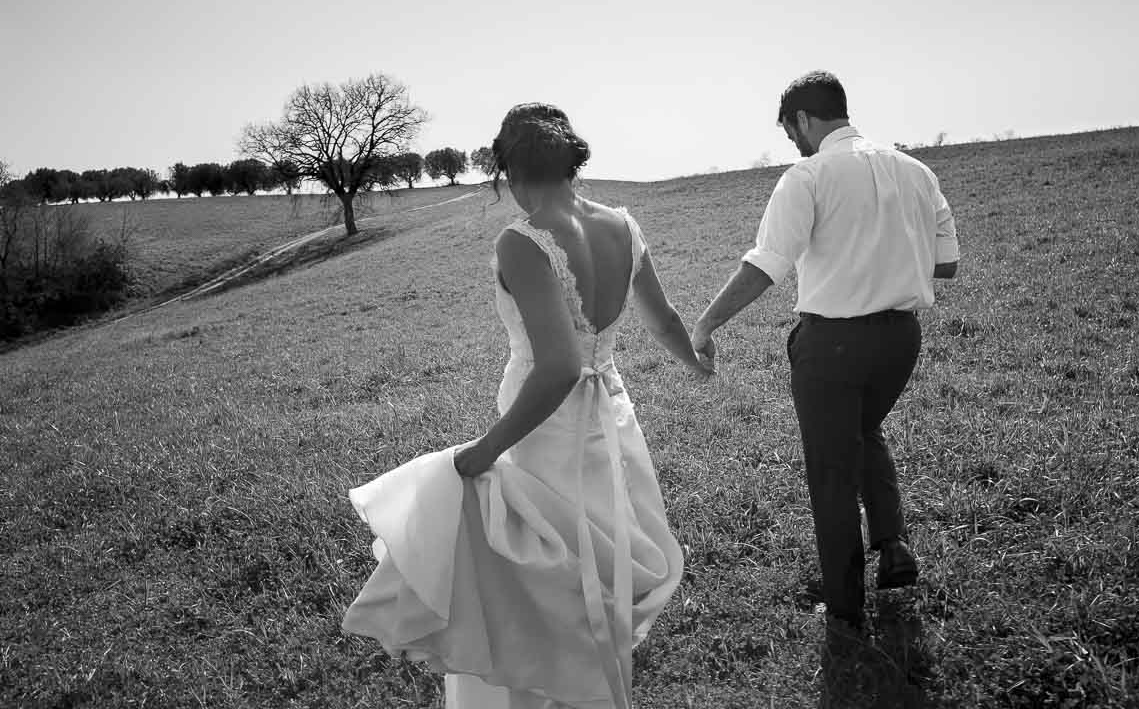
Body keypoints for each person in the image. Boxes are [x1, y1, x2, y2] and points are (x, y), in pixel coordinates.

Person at [342, 102, 712, 709]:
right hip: (612, 420)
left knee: (531, 577)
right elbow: (665, 319)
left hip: (543, 431)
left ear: (509, 173)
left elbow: (560, 366)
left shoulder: (522, 239)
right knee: (590, 568)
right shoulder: (623, 225)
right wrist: (696, 361)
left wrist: (482, 451)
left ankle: (538, 693)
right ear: (573, 163)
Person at [690, 71, 960, 639]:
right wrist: (886, 252)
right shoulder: (917, 170)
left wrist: (707, 321)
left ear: (804, 119)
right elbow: (947, 264)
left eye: (791, 130)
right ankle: (892, 546)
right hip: (901, 339)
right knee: (865, 431)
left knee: (830, 473)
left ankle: (844, 608)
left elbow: (767, 264)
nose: (794, 141)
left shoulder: (807, 176)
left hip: (832, 345)